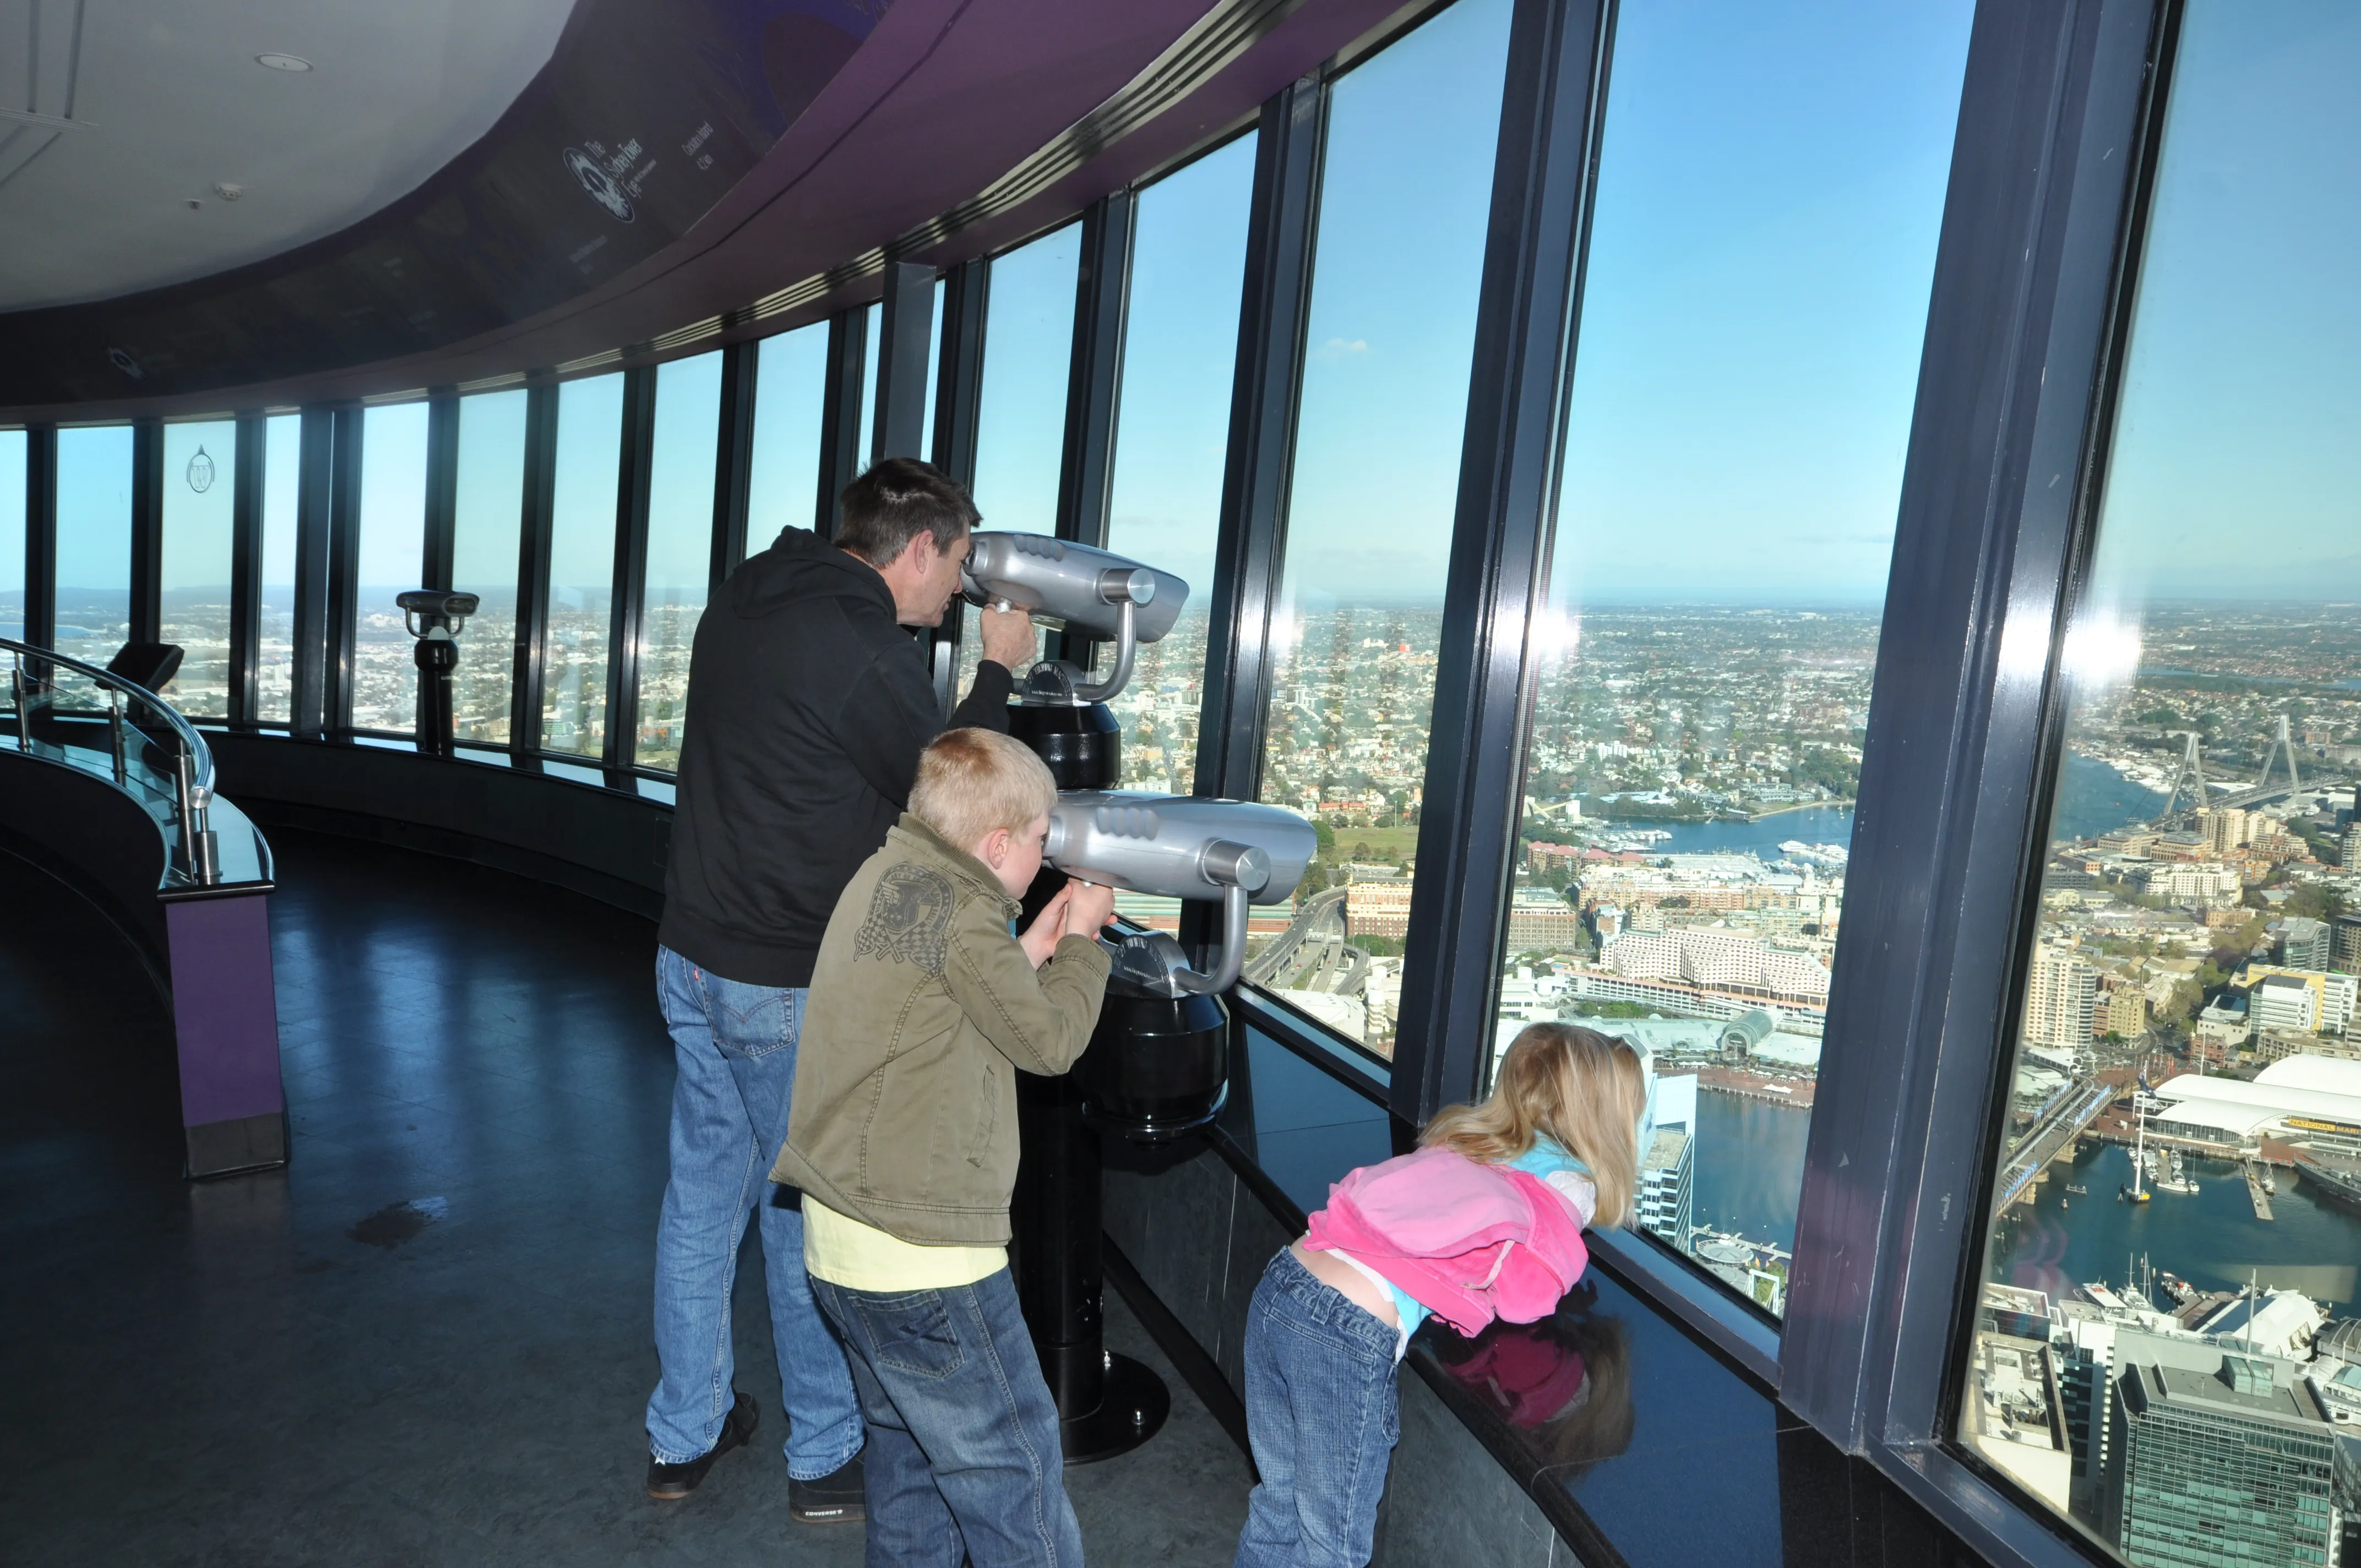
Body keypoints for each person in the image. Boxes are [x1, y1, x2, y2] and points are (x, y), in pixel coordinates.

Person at [644, 458, 1037, 1517]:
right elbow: (956, 801)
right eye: (955, 565)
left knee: (701, 1200)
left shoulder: (747, 593)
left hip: (689, 949)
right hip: (779, 980)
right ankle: (823, 1454)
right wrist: (997, 669)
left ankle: (682, 1431)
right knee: (801, 1214)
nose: (956, 591)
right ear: (917, 549)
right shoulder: (865, 649)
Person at [773, 727, 1116, 1568]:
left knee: (913, 1465)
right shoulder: (966, 916)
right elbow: (1048, 1043)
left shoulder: (895, 873)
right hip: (922, 1263)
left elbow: (950, 986)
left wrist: (1027, 946)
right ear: (998, 844)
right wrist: (1081, 944)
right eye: (1041, 840)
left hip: (843, 1247)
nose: (1045, 857)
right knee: (1016, 1472)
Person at [1232, 1023, 1648, 1568]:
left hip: (1283, 1284)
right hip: (1342, 1330)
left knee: (1279, 1508)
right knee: (1332, 1547)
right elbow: (1526, 1298)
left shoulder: (1469, 1138)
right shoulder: (1568, 1182)